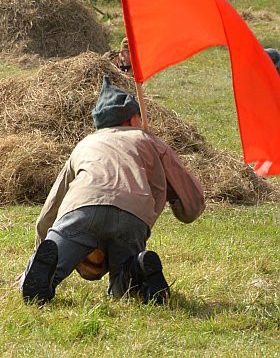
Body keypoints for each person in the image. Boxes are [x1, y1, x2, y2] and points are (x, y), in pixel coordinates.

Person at [20, 76, 205, 305]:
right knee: (122, 290)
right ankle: (137, 269)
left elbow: (51, 207)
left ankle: (40, 275)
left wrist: (40, 247)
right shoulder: (148, 140)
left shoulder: (85, 144)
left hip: (81, 209)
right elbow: (192, 206)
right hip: (132, 217)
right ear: (132, 118)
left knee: (51, 265)